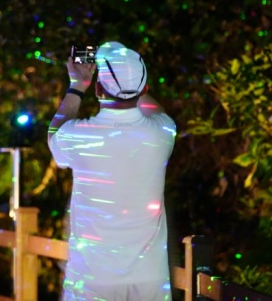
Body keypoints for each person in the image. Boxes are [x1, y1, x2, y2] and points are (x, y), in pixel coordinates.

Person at [48, 41, 176, 301]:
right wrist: (131, 82)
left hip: (92, 280)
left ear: (98, 88)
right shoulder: (163, 132)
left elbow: (54, 133)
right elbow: (155, 110)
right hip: (150, 280)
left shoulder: (79, 136)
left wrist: (77, 85)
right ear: (145, 89)